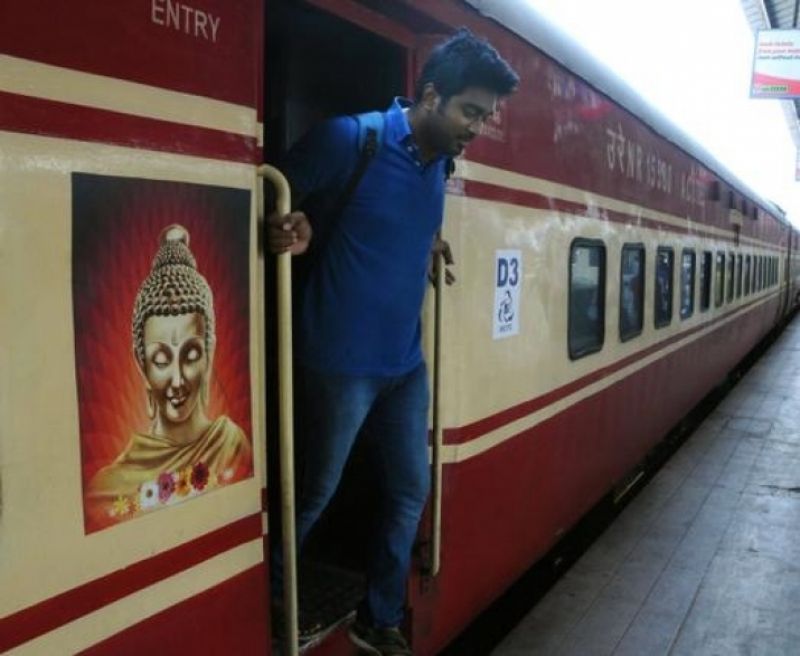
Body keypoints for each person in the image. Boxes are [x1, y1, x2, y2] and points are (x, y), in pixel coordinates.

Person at [268, 28, 518, 655]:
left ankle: (377, 617)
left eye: (485, 117)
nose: (477, 128)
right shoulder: (352, 139)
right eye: (470, 112)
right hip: (337, 361)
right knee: (311, 494)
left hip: (404, 365)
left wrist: (426, 243)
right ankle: (272, 603)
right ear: (431, 95)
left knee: (410, 490)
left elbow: (393, 219)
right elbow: (268, 196)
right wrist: (287, 227)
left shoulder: (439, 164)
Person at [86, 225, 252, 530]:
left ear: (209, 352)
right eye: (161, 359)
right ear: (141, 363)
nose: (177, 380)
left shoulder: (231, 445)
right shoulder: (106, 490)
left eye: (191, 354)